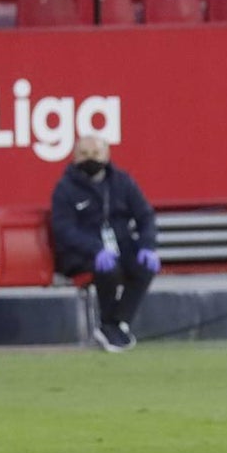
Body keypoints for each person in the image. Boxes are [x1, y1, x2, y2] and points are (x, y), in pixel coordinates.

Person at [50, 135, 161, 352]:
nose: (90, 159)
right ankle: (107, 324)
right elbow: (64, 230)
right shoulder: (64, 189)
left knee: (144, 267)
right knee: (108, 270)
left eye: (96, 154)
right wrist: (95, 248)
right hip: (83, 253)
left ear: (107, 155)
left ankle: (118, 323)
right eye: (84, 154)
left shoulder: (122, 182)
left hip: (120, 245)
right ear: (74, 157)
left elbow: (145, 216)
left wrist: (148, 245)